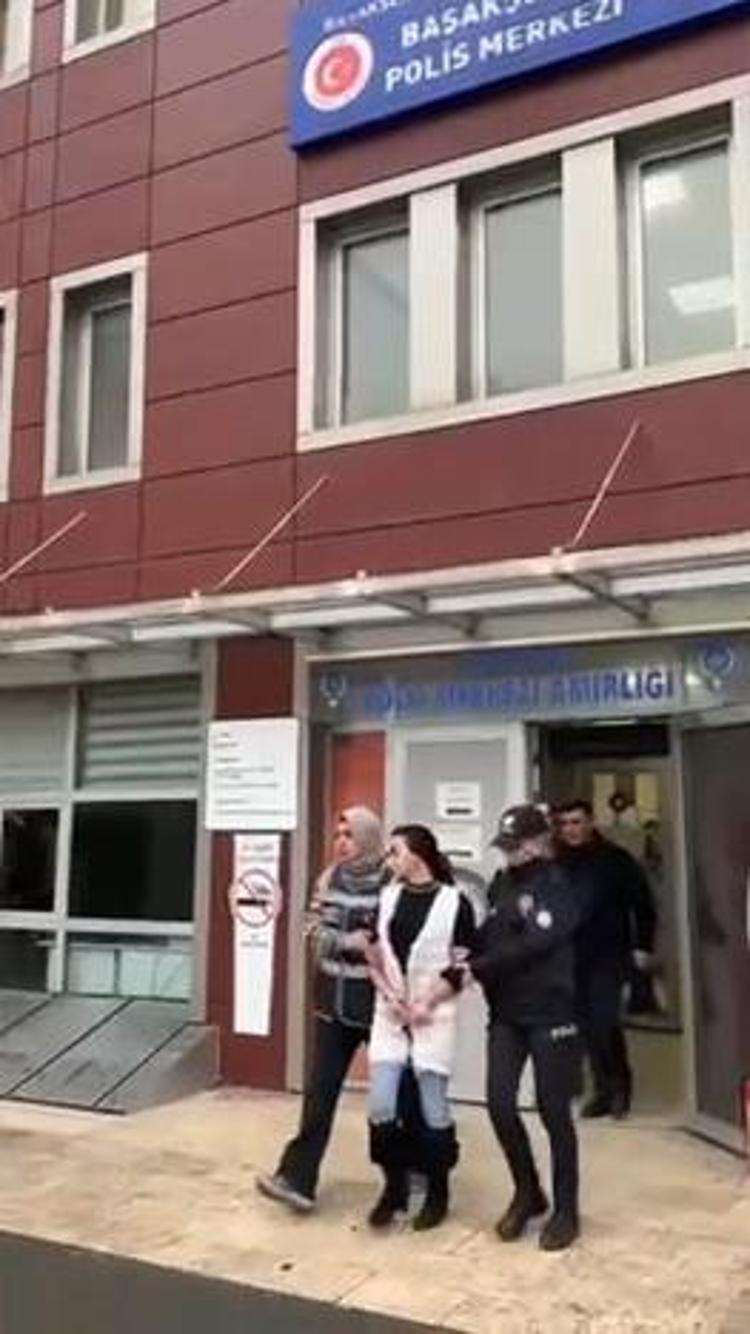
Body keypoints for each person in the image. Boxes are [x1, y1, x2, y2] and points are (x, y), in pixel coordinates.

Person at [256, 806, 387, 1212]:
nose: (341, 843)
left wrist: (371, 948)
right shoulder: (329, 878)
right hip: (332, 1005)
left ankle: (410, 1175)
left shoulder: (391, 880)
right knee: (319, 1095)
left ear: (368, 838)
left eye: (349, 835)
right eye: (337, 835)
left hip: (379, 1007)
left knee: (394, 1097)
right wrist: (348, 942)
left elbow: (393, 938)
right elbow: (311, 929)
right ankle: (297, 1179)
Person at [469, 804, 586, 1252]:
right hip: (507, 1014)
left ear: (538, 843)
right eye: (505, 846)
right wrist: (464, 954)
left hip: (551, 1014)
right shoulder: (501, 883)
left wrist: (480, 967)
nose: (510, 854)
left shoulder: (557, 886)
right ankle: (528, 1191)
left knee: (554, 1114)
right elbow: (489, 935)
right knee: (499, 1105)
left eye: (516, 846)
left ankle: (566, 1210)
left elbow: (534, 944)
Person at [365, 825, 476, 1232]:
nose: (389, 859)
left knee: (432, 1107)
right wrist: (389, 994)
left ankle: (438, 1190)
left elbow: (464, 966)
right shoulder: (387, 897)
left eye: (395, 851)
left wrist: (428, 1002)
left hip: (433, 1016)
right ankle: (394, 1185)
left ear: (417, 854)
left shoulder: (455, 903)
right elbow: (372, 954)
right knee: (381, 1104)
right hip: (391, 1014)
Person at [556, 798, 658, 1120]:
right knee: (584, 1027)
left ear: (590, 822)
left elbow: (643, 904)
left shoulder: (615, 860)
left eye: (576, 822)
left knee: (604, 1022)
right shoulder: (557, 862)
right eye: (564, 824)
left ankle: (619, 1086)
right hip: (571, 956)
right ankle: (601, 1090)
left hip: (608, 955)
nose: (570, 830)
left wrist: (643, 947)